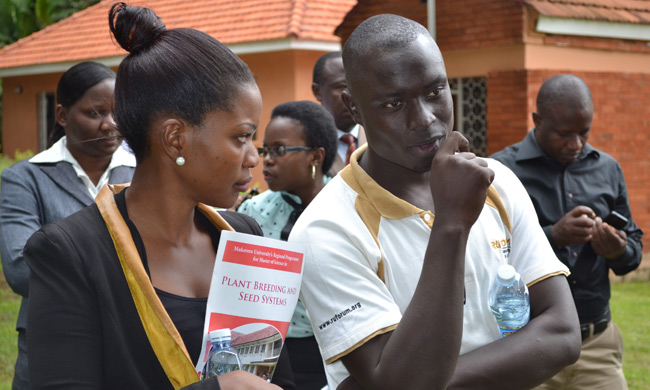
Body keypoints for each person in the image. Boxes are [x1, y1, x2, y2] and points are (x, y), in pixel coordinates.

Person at [289, 14, 581, 390]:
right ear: (353, 107)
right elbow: (405, 385)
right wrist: (452, 224)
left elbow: (563, 334)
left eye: (433, 92)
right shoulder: (324, 229)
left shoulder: (497, 182)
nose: (424, 119)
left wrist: (423, 381)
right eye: (393, 104)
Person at [23, 3, 294, 389]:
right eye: (241, 136)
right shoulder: (70, 253)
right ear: (174, 138)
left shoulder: (243, 236)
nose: (254, 156)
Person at [491, 74, 643, 390]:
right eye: (564, 134)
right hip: (526, 346)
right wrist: (553, 235)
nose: (575, 144)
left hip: (596, 343)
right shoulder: (501, 173)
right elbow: (486, 258)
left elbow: (632, 254)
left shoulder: (608, 169)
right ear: (537, 120)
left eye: (583, 133)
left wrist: (617, 250)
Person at [0, 61, 136, 390]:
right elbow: (21, 269)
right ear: (61, 115)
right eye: (96, 113)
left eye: (118, 113)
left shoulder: (141, 176)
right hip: (53, 346)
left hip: (133, 344)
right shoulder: (25, 179)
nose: (111, 125)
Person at [239, 100, 338, 389]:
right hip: (271, 355)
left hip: (336, 353)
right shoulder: (252, 213)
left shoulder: (350, 208)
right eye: (265, 150)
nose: (265, 160)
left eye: (279, 150)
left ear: (316, 157)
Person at [312, 51, 366, 176]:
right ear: (317, 91)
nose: (351, 95)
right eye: (342, 86)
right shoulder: (305, 144)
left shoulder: (382, 139)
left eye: (357, 85)